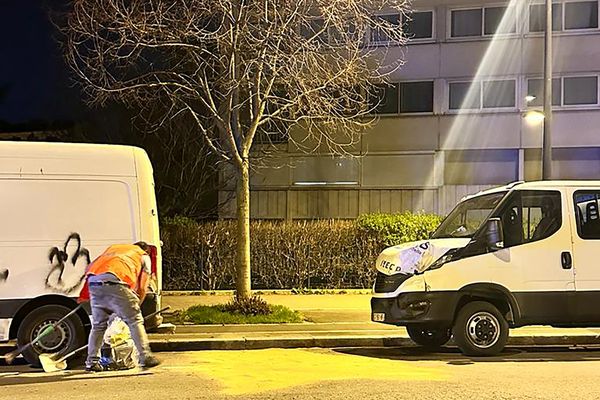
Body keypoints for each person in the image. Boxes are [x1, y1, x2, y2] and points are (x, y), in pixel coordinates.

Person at [83, 242, 160, 372]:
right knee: (135, 320)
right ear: (145, 250)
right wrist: (136, 305)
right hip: (115, 281)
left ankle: (92, 362)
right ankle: (145, 356)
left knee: (98, 326)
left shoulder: (115, 249)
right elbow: (142, 286)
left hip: (94, 281)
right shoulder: (143, 255)